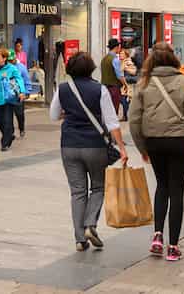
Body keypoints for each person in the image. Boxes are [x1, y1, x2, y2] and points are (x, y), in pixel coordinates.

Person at [130, 42, 184, 263]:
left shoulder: (144, 83)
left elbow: (134, 119)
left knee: (162, 186)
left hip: (154, 142)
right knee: (176, 191)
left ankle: (157, 235)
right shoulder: (182, 81)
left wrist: (141, 147)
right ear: (173, 59)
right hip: (180, 142)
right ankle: (173, 246)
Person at [50, 53, 128, 252]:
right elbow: (112, 122)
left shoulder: (63, 89)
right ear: (91, 68)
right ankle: (90, 225)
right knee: (98, 187)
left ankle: (79, 239)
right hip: (95, 145)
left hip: (69, 145)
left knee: (77, 192)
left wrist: (68, 113)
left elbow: (53, 115)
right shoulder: (99, 89)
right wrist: (122, 147)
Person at [0, 48, 26, 151]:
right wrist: (0, 76)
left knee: (8, 121)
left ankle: (5, 144)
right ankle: (9, 135)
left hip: (9, 99)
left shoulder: (12, 68)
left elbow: (19, 79)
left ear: (4, 58)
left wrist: (22, 92)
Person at [10, 48, 32, 138]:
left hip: (19, 94)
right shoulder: (5, 68)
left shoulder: (21, 67)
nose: (11, 62)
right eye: (9, 60)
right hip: (8, 94)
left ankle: (21, 128)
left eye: (12, 60)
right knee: (8, 115)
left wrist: (27, 91)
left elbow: (26, 80)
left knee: (19, 113)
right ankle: (10, 132)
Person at [100, 38, 125, 114]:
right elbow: (120, 76)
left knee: (106, 111)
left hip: (104, 88)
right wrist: (125, 85)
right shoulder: (115, 59)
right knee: (113, 111)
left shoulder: (104, 59)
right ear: (116, 47)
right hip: (114, 88)